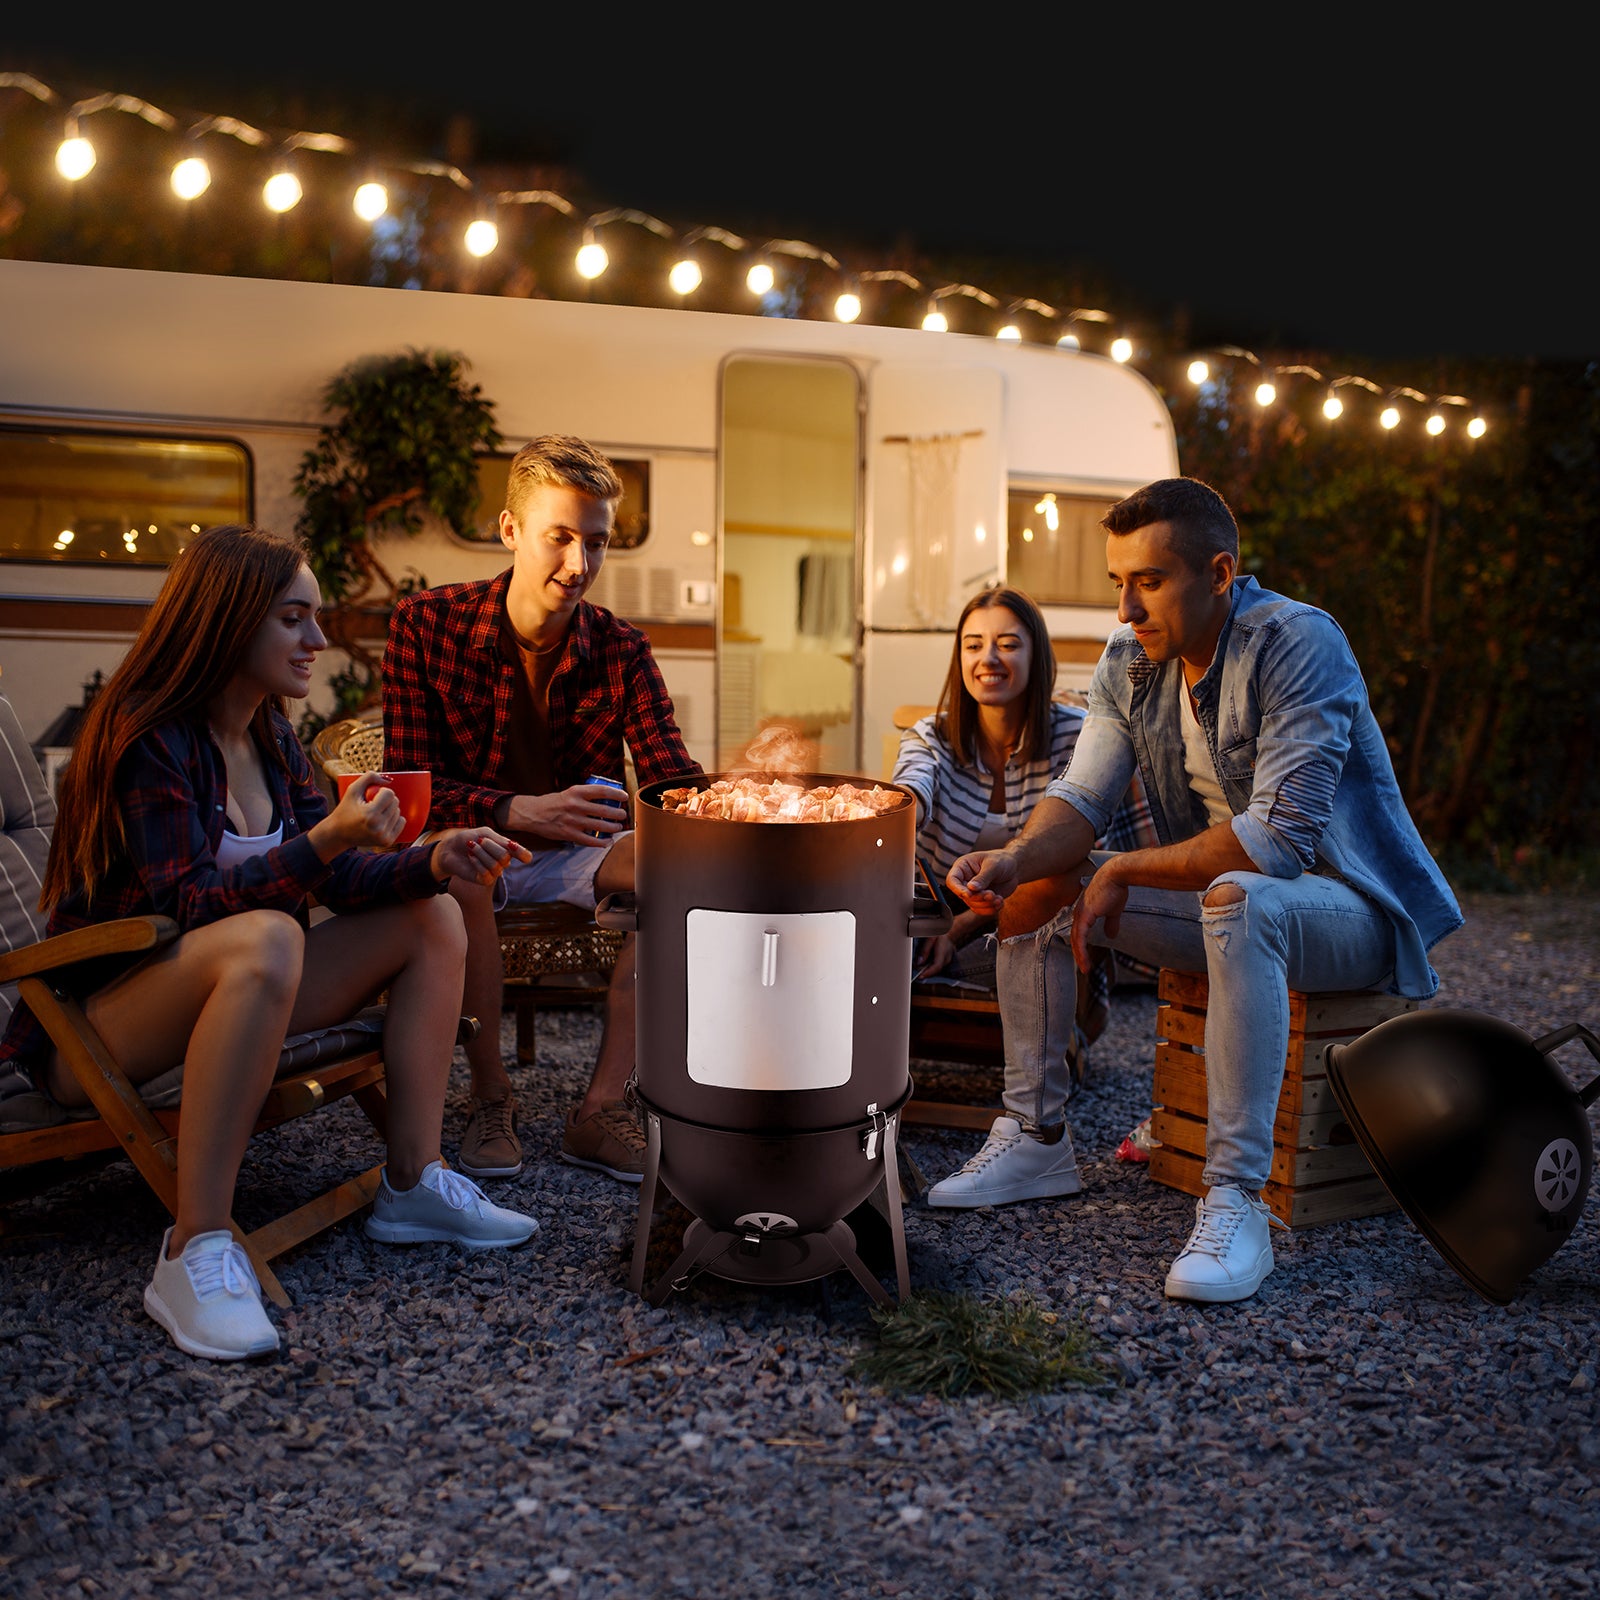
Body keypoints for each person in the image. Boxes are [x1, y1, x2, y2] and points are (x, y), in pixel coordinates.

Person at [0, 524, 539, 1362]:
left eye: (314, 618)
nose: (318, 640)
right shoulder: (149, 738)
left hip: (237, 993)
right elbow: (193, 904)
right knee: (266, 939)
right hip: (92, 1028)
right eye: (295, 618)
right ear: (229, 618)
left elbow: (336, 887)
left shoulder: (271, 737)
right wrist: (326, 838)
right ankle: (195, 1247)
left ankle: (414, 1181)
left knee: (432, 914)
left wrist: (434, 858)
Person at [949, 478, 1462, 1303]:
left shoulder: (1299, 643)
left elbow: (1278, 841)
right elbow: (1082, 801)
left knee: (1239, 896)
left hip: (1349, 909)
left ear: (1220, 573)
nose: (1125, 610)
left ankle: (1236, 1202)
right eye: (1118, 583)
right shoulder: (1131, 659)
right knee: (1038, 885)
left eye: (1147, 582)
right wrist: (1016, 856)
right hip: (1231, 903)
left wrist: (1124, 867)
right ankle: (1036, 1136)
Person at [383, 434, 701, 1185]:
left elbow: (669, 781)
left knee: (685, 873)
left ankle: (599, 1108)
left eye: (596, 543)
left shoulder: (621, 648)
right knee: (464, 867)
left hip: (575, 853)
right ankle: (491, 1097)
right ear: (510, 530)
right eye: (560, 538)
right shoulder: (426, 625)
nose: (578, 566)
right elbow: (409, 790)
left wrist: (726, 805)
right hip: (465, 842)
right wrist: (516, 809)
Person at [892, 585, 1155, 1208]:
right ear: (959, 659)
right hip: (937, 927)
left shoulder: (1079, 736)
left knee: (1031, 904)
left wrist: (953, 934)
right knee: (878, 949)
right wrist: (926, 915)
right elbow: (911, 791)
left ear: (1037, 658)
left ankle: (1032, 1126)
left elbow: (1100, 843)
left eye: (1009, 644)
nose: (990, 659)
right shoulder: (931, 737)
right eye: (975, 645)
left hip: (1039, 921)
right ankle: (851, 1106)